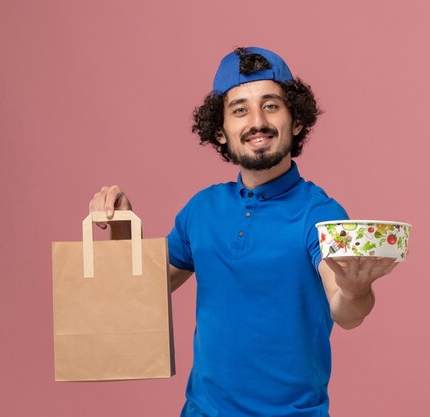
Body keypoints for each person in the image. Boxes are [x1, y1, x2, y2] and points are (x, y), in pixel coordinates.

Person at [89, 46, 399, 417]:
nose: (257, 121)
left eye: (271, 105)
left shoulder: (321, 214)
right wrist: (122, 228)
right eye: (240, 110)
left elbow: (347, 313)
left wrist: (356, 289)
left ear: (296, 121)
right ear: (220, 132)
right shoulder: (201, 209)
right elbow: (138, 294)